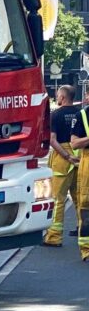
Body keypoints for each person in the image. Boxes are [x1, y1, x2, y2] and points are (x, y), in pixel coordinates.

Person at [44, 85, 81, 247]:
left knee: (58, 198)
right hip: (79, 156)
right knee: (79, 197)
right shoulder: (80, 113)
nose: (56, 98)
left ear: (63, 97)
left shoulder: (56, 115)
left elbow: (53, 140)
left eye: (58, 95)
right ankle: (83, 229)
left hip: (62, 158)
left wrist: (66, 156)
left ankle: (54, 236)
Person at [70, 96, 89, 260]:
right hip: (87, 161)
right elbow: (74, 144)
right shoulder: (82, 115)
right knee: (85, 204)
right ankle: (86, 248)